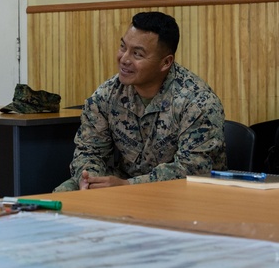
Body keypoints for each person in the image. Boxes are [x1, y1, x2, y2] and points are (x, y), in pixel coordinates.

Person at [54, 11, 226, 192]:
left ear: (165, 63)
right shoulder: (107, 95)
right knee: (66, 192)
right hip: (124, 183)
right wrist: (90, 180)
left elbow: (192, 170)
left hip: (182, 193)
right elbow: (90, 151)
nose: (124, 59)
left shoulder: (197, 102)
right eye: (123, 47)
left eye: (137, 54)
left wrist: (128, 186)